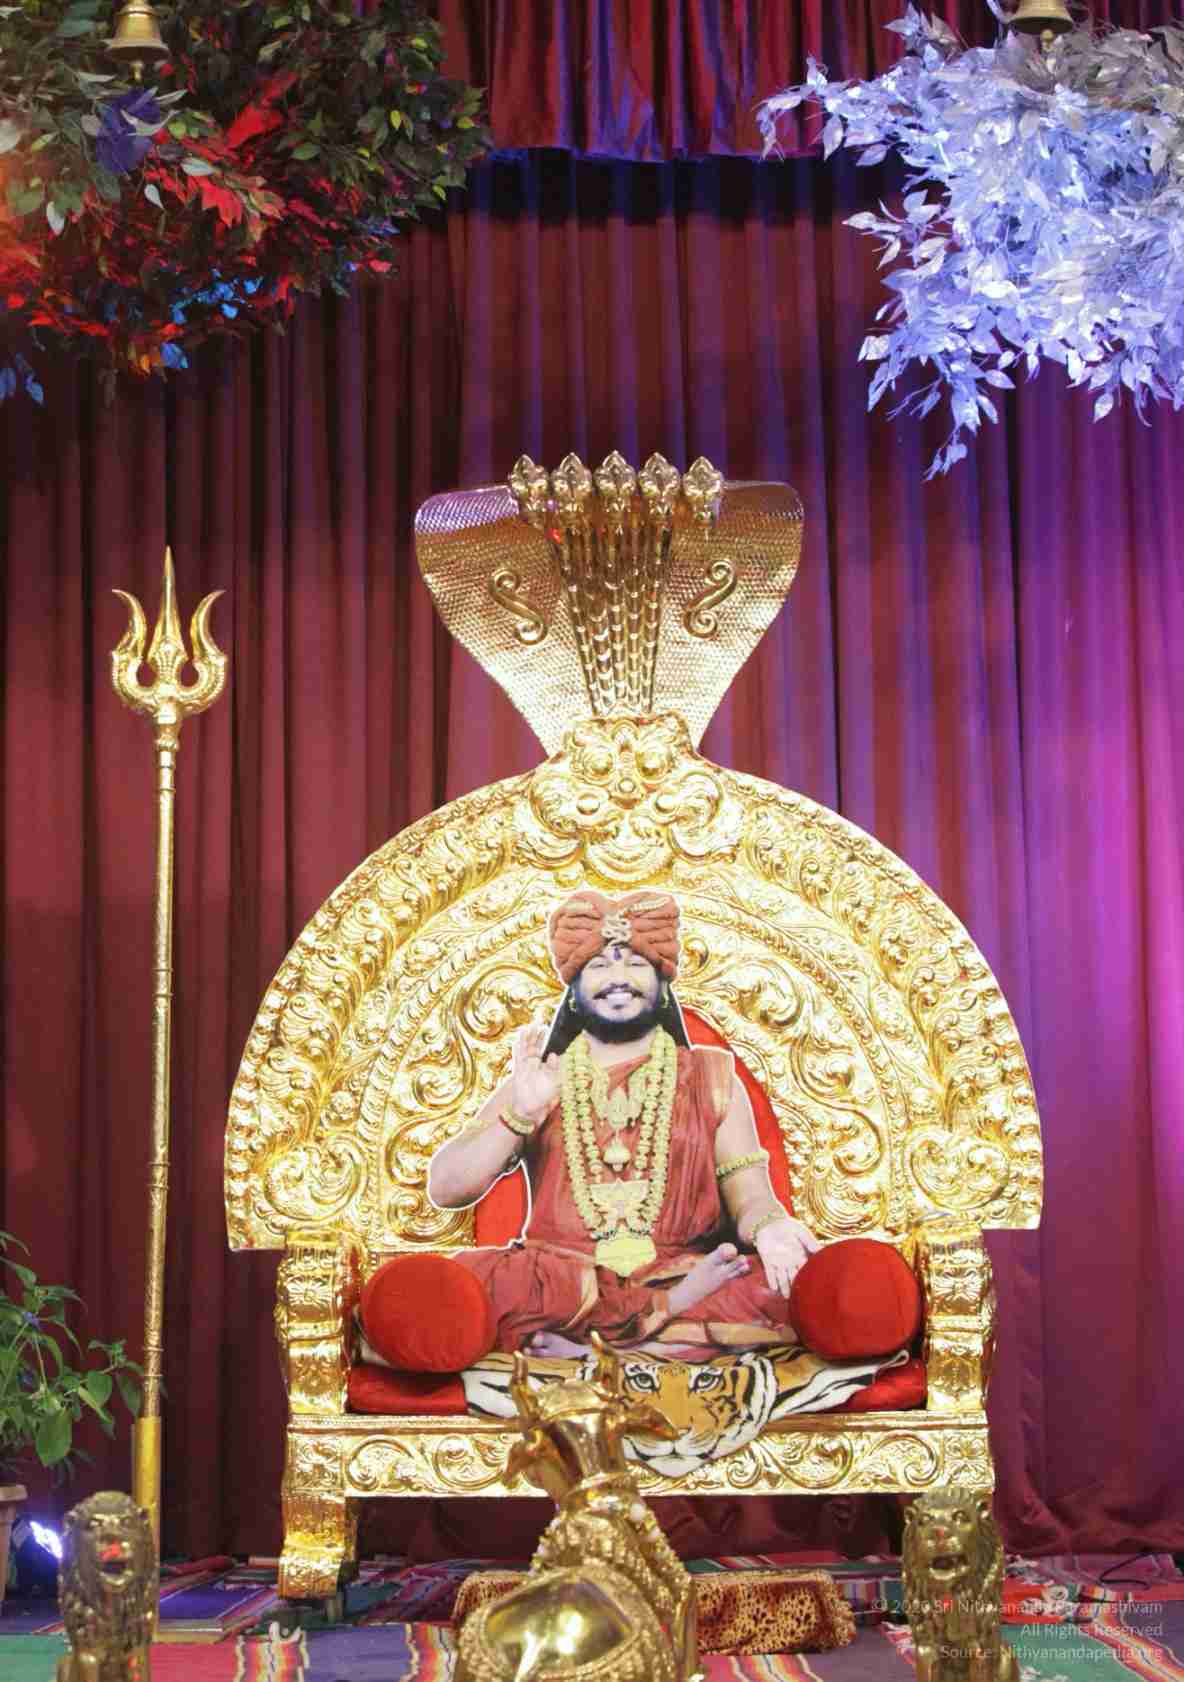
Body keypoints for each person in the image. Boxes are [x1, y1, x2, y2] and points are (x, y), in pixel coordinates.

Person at [428, 889, 821, 1362]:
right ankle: (650, 1341)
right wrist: (521, 1115)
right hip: (565, 1284)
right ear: (573, 990)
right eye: (598, 966)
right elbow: (446, 1188)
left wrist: (771, 1227)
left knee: (794, 1288)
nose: (618, 979)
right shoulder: (541, 1078)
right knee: (465, 1287)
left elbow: (750, 1195)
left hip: (682, 1274)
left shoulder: (713, 1077)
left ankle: (598, 1346)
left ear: (662, 981)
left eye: (635, 964)